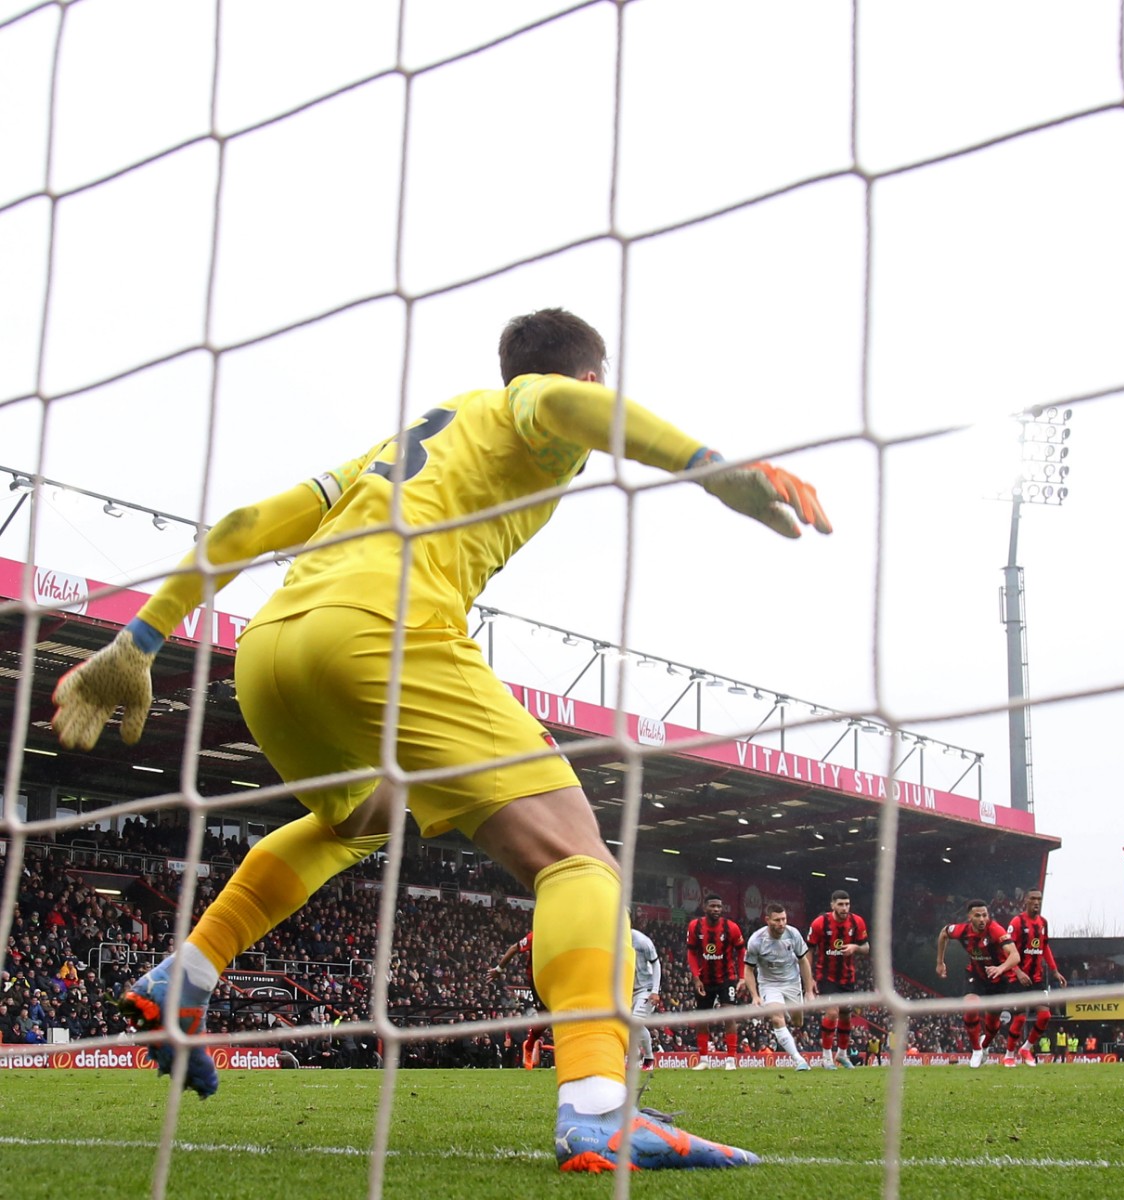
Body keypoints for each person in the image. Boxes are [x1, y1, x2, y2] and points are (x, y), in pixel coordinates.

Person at [51, 308, 830, 1170]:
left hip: (272, 650)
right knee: (577, 861)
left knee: (361, 822)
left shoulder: (395, 450)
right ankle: (599, 1106)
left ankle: (186, 977)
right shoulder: (533, 404)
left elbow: (241, 526)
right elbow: (567, 409)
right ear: (590, 375)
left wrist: (140, 642)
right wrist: (709, 468)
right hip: (385, 632)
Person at [934, 900, 1019, 1068]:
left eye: (985, 915)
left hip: (998, 979)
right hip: (976, 975)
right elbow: (943, 933)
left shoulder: (995, 931)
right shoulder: (962, 931)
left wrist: (1000, 968)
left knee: (993, 1025)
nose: (982, 919)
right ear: (969, 917)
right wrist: (940, 962)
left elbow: (1015, 956)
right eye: (978, 915)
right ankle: (976, 1050)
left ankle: (985, 1045)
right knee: (970, 1007)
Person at [741, 903, 815, 1072]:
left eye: (784, 919)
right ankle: (799, 1060)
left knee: (797, 1022)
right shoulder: (756, 940)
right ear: (767, 920)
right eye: (777, 920)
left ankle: (786, 1011)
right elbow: (748, 969)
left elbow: (803, 961)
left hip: (792, 982)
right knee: (776, 1018)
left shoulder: (793, 934)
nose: (782, 923)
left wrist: (809, 990)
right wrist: (755, 995)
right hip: (769, 984)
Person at [1000, 888, 1066, 1066]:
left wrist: (1055, 971)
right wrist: (1018, 972)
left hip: (1036, 978)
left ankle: (1026, 1048)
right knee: (1020, 1018)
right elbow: (1006, 949)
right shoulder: (1017, 921)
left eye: (1039, 899)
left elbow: (1044, 947)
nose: (1037, 902)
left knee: (1045, 1016)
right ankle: (1009, 1055)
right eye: (1033, 899)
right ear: (1026, 901)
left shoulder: (1043, 923)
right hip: (1017, 977)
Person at [805, 889, 869, 1069]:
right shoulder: (820, 923)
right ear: (832, 905)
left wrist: (855, 948)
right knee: (832, 1012)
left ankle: (842, 1054)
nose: (844, 908)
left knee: (846, 1017)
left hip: (848, 977)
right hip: (826, 976)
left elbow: (867, 948)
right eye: (840, 904)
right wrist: (809, 979)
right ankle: (826, 1057)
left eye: (847, 904)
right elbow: (808, 950)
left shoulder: (857, 922)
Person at [685, 894, 747, 1067]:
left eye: (719, 907)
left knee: (729, 1016)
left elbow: (742, 952)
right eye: (712, 906)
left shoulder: (731, 928)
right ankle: (704, 1059)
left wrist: (742, 977)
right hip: (704, 980)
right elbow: (691, 952)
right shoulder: (695, 926)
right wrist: (696, 978)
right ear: (704, 908)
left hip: (726, 978)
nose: (716, 910)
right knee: (702, 1018)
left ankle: (731, 1059)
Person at [486, 931, 549, 1068]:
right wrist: (499, 969)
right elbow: (514, 948)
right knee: (546, 1018)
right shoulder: (536, 936)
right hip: (538, 980)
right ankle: (529, 1045)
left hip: (560, 978)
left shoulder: (568, 933)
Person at [629, 927, 660, 1073]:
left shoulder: (642, 941)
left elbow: (656, 963)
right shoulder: (613, 940)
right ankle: (636, 1054)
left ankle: (647, 1057)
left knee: (635, 1022)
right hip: (627, 991)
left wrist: (655, 991)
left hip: (645, 989)